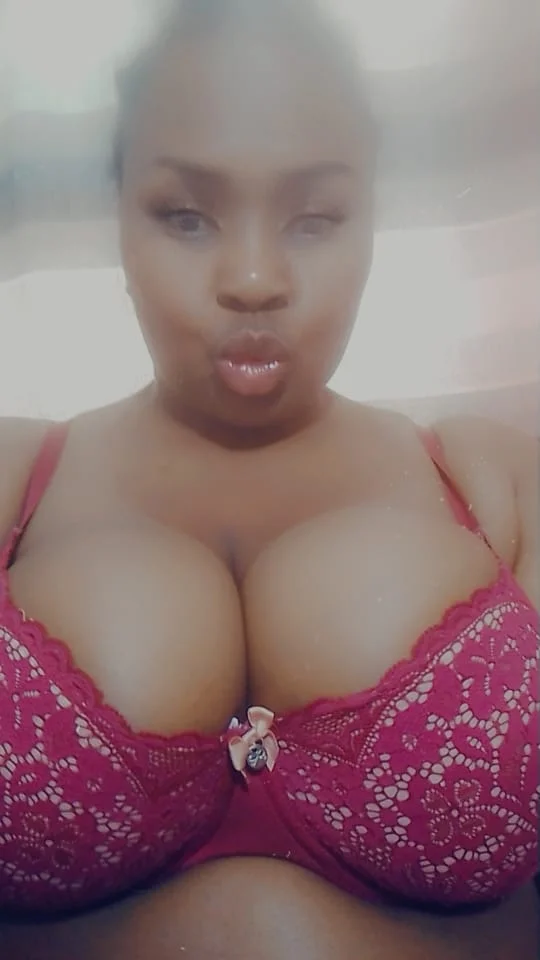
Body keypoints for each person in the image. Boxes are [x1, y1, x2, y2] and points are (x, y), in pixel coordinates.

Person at [0, 1, 538, 957]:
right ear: (119, 220)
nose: (253, 279)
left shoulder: (501, 483)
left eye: (316, 217)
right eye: (186, 215)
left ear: (372, 223)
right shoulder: (13, 483)